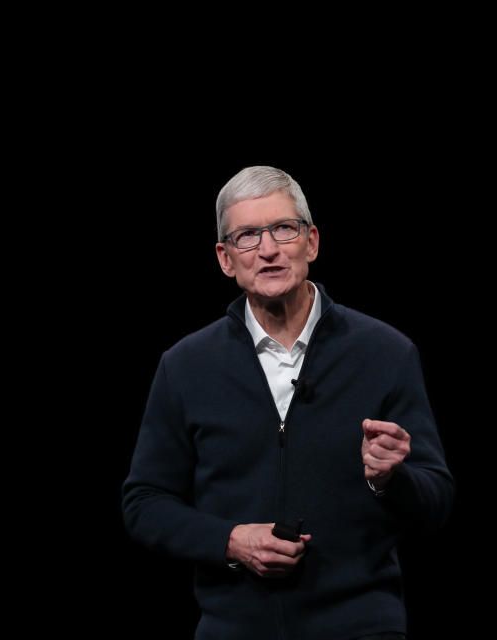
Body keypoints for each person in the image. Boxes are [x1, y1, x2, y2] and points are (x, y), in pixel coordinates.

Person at [122, 166, 454, 640]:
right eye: (247, 236)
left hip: (360, 627)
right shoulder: (185, 366)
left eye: (283, 228)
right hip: (234, 629)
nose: (269, 249)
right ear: (225, 258)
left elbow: (436, 501)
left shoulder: (386, 353)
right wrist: (230, 542)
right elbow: (144, 503)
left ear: (312, 242)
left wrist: (390, 480)